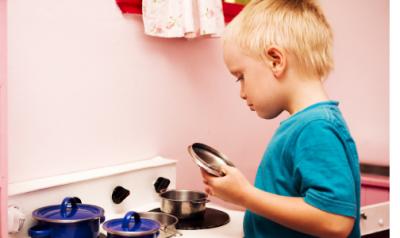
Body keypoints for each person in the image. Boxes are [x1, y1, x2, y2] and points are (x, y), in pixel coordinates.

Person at [200, 0, 361, 237]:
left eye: (240, 76)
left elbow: (335, 221)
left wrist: (244, 195)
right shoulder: (304, 125)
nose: (242, 92)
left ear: (276, 60)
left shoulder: (316, 127)